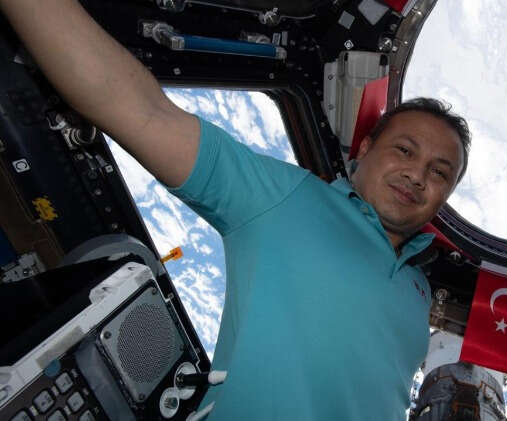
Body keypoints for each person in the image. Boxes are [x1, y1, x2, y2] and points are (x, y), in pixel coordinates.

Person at [0, 0, 471, 419]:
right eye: (404, 150)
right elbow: (141, 111)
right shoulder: (287, 197)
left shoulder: (420, 292)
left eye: (439, 172)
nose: (417, 175)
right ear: (364, 149)